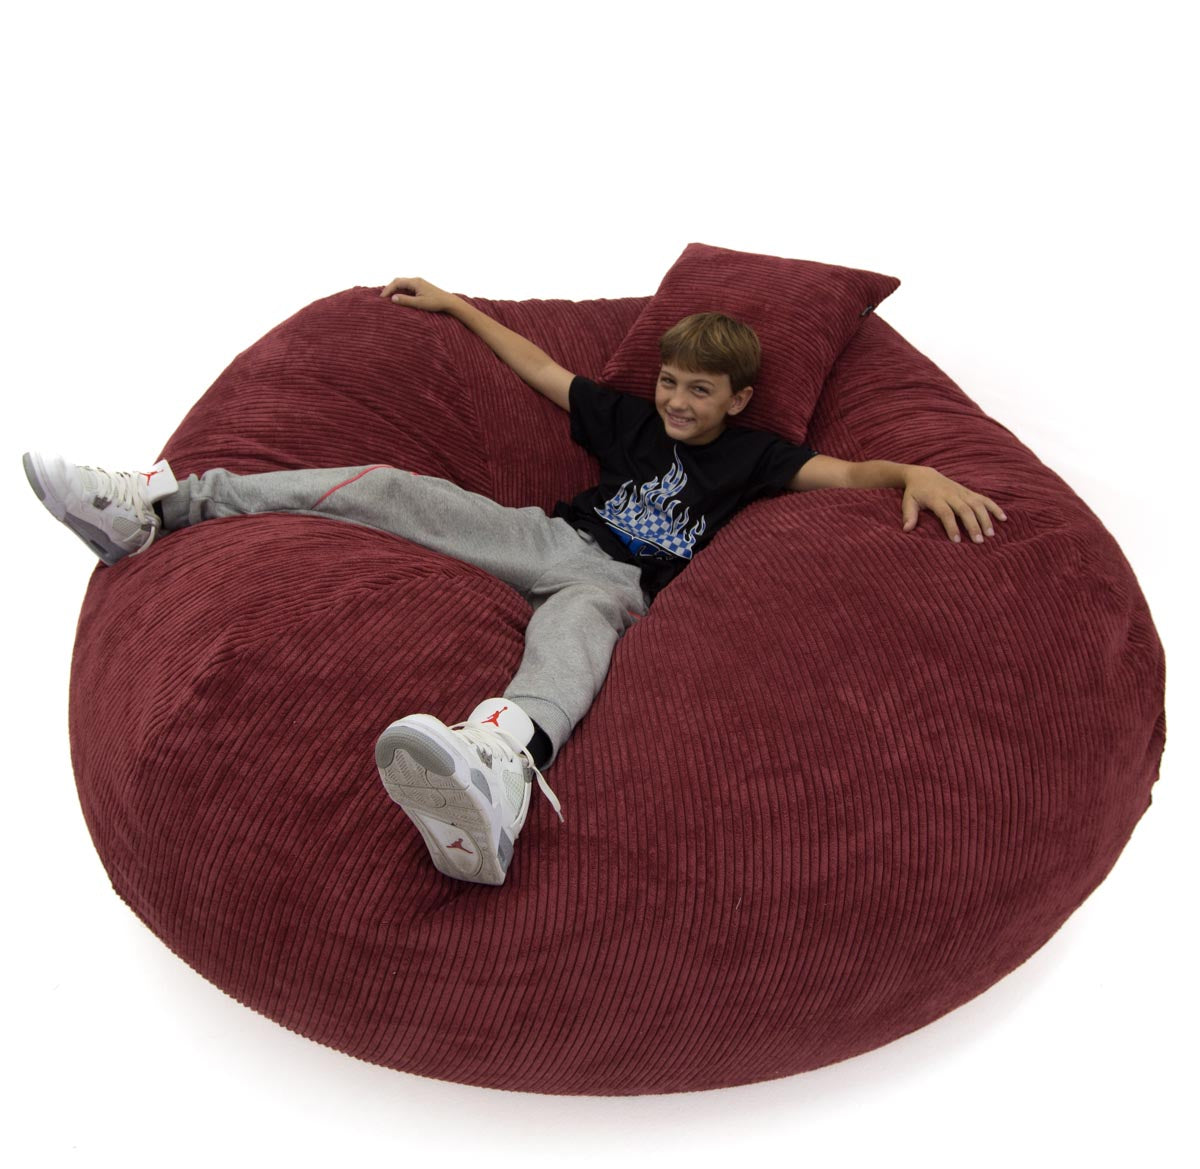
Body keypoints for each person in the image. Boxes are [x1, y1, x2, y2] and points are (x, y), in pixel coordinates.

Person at [23, 276, 1007, 887]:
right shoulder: (630, 419)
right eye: (670, 382)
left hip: (620, 584)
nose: (675, 401)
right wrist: (459, 309)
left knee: (576, 639)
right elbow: (542, 370)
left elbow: (843, 475)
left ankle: (494, 768)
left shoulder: (755, 456)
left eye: (698, 391)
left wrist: (910, 470)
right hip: (542, 536)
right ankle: (161, 506)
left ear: (738, 400)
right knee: (396, 489)